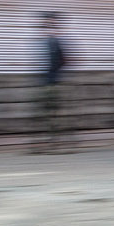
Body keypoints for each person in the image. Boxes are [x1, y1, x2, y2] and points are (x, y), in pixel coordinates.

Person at [35, 12, 70, 152]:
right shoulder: (43, 42)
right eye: (47, 26)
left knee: (54, 110)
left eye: (52, 25)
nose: (49, 29)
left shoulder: (57, 43)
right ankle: (50, 138)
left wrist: (55, 71)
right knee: (47, 111)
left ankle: (55, 139)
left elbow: (65, 60)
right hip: (44, 81)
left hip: (54, 81)